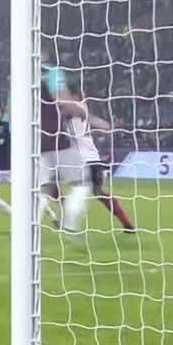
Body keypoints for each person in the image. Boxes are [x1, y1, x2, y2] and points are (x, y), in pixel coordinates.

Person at [66, 83, 135, 233]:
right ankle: (127, 224)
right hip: (84, 158)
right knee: (98, 193)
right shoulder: (78, 108)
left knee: (86, 191)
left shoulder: (76, 107)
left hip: (86, 159)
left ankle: (69, 224)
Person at [39, 80, 91, 238]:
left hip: (40, 149)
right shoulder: (57, 100)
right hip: (61, 146)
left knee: (43, 190)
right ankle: (70, 226)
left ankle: (30, 228)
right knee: (83, 183)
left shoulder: (30, 103)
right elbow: (79, 112)